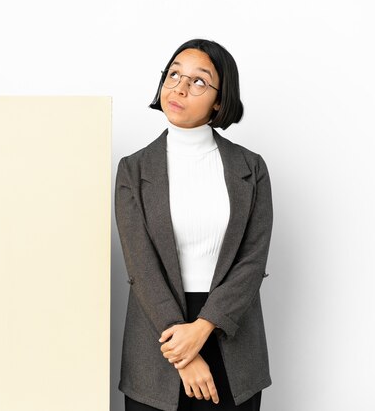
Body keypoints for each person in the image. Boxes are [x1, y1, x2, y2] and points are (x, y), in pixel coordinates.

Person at [115, 39, 274, 411]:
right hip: (156, 342)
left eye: (199, 81)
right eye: (174, 75)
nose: (180, 88)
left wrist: (202, 330)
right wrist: (183, 353)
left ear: (220, 100)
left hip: (231, 339)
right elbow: (141, 266)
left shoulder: (251, 168)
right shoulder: (133, 170)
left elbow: (252, 261)